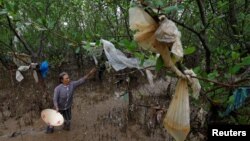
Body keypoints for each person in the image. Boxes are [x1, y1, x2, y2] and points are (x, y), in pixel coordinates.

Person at [46, 68, 96, 133]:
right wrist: (56, 106)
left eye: (68, 78)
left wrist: (90, 73)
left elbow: (82, 80)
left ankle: (65, 129)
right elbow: (55, 99)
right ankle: (49, 131)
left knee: (68, 122)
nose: (69, 79)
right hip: (58, 108)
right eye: (66, 78)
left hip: (67, 107)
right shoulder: (58, 89)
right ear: (62, 80)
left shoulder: (72, 85)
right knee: (52, 122)